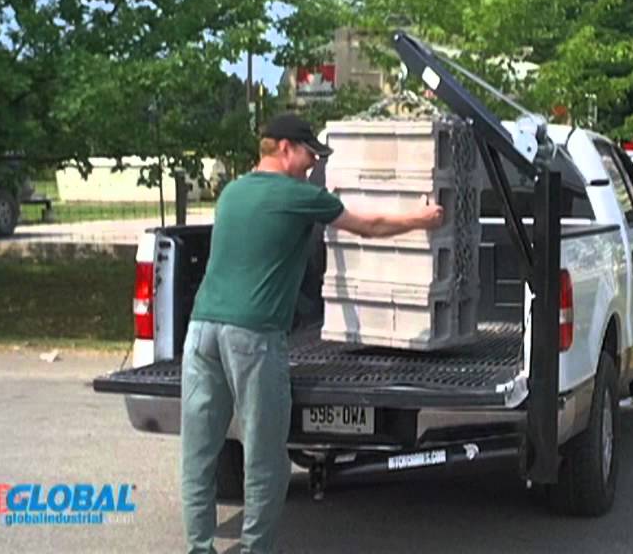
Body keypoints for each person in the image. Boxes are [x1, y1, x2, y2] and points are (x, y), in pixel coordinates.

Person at [181, 113, 443, 554]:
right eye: (309, 155)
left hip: (201, 331)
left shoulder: (231, 193)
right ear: (284, 148)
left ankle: (199, 548)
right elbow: (370, 226)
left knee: (199, 452)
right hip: (252, 337)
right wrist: (422, 217)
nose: (312, 166)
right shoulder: (299, 195)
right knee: (265, 458)